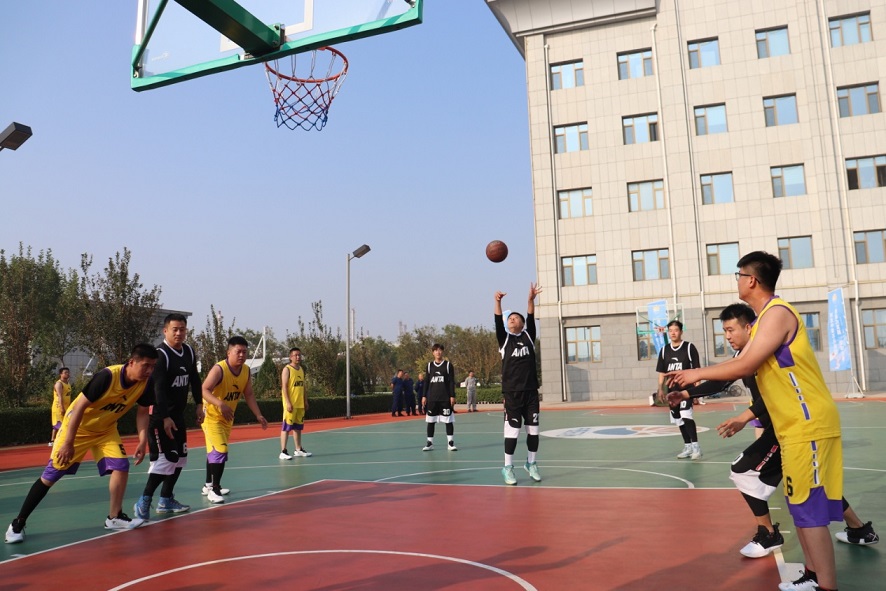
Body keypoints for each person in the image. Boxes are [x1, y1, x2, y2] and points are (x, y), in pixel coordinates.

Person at [668, 251, 844, 591]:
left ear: (751, 280)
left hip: (808, 423)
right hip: (790, 429)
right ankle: (812, 576)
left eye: (737, 274)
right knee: (799, 507)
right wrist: (690, 387)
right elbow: (732, 369)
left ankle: (827, 586)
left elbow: (744, 366)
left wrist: (694, 373)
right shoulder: (762, 322)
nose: (735, 281)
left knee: (809, 511)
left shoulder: (777, 313)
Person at [670, 303, 878, 560]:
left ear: (749, 327)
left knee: (743, 471)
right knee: (814, 483)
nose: (727, 336)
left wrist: (743, 418)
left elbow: (773, 395)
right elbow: (723, 379)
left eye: (731, 330)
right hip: (783, 426)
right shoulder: (745, 354)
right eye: (724, 331)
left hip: (791, 426)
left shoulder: (766, 351)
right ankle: (859, 530)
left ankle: (769, 534)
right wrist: (686, 393)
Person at [5, 344, 158, 544]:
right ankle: (18, 523)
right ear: (131, 362)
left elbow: (142, 412)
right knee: (51, 475)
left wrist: (142, 440)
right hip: (78, 429)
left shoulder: (145, 383)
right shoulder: (107, 377)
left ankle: (114, 517)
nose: (149, 371)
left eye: (153, 366)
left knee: (121, 466)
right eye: (146, 365)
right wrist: (68, 442)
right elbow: (78, 407)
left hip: (106, 430)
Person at [134, 314, 203, 521]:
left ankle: (166, 499)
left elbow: (195, 379)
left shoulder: (189, 351)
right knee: (166, 460)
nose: (179, 333)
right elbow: (159, 389)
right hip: (160, 418)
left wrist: (199, 404)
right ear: (165, 331)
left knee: (180, 459)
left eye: (182, 329)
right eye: (175, 329)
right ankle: (144, 500)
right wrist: (164, 417)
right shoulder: (161, 355)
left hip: (178, 416)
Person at [200, 336, 268, 504]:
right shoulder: (219, 369)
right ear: (229, 352)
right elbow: (204, 389)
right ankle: (215, 489)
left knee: (214, 451)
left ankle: (208, 485)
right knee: (220, 450)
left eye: (245, 352)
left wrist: (258, 414)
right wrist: (220, 404)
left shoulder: (245, 371)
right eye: (238, 352)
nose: (242, 355)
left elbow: (249, 394)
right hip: (211, 416)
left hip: (226, 417)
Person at [494, 283, 542, 485]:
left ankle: (531, 463)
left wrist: (530, 300)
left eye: (515, 318)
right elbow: (497, 321)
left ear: (522, 324)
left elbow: (531, 316)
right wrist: (498, 302)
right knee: (512, 432)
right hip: (512, 394)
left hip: (531, 392)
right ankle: (508, 467)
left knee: (533, 431)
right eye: (510, 318)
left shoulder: (528, 336)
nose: (511, 319)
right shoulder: (505, 340)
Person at [655, 320, 703, 460]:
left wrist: (697, 391)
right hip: (672, 392)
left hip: (686, 390)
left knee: (686, 415)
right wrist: (660, 389)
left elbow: (697, 370)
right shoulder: (664, 351)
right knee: (678, 419)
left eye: (676, 330)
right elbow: (662, 372)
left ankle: (696, 447)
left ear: (681, 332)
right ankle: (688, 446)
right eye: (670, 330)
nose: (673, 333)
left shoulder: (689, 348)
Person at [421, 344, 457, 451]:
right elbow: (426, 382)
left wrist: (452, 395)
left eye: (440, 350)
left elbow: (451, 382)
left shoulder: (448, 365)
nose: (438, 352)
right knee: (430, 421)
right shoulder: (429, 366)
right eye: (436, 350)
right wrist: (424, 396)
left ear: (442, 352)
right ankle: (429, 443)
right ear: (433, 352)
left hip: (445, 398)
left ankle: (450, 443)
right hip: (432, 398)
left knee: (448, 421)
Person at [279, 347, 311, 459]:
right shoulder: (287, 369)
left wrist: (305, 400)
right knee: (286, 428)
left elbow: (303, 387)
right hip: (290, 404)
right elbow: (284, 387)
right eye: (295, 355)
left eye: (299, 355)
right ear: (290, 357)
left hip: (299, 404)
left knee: (298, 428)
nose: (298, 357)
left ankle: (298, 449)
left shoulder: (301, 369)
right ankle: (283, 451)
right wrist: (288, 402)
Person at [49, 367, 72, 446]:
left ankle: (53, 440)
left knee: (62, 424)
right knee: (60, 424)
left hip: (66, 407)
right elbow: (60, 396)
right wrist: (62, 408)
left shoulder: (68, 384)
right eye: (65, 372)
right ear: (61, 374)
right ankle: (55, 441)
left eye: (68, 372)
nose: (67, 374)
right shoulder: (59, 384)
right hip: (58, 407)